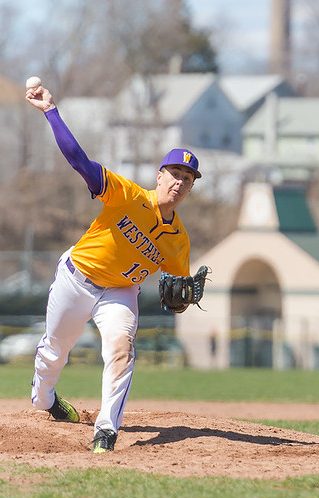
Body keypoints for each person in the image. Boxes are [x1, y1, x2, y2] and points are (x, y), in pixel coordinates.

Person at [26, 82, 202, 454]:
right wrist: (51, 111)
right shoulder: (127, 196)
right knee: (54, 350)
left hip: (120, 292)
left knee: (121, 348)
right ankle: (44, 399)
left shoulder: (179, 240)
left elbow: (179, 288)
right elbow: (79, 161)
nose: (179, 182)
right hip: (77, 278)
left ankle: (106, 429)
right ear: (159, 175)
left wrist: (181, 300)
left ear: (189, 190)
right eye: (174, 173)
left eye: (187, 179)